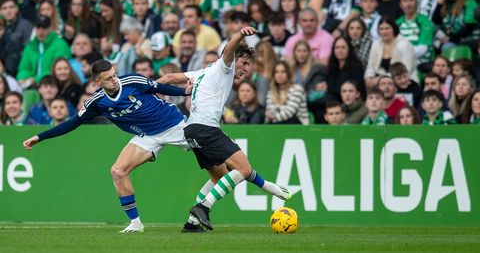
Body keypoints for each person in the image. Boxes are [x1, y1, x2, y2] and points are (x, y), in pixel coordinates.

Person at [23, 59, 194, 233]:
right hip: (147, 135)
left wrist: (184, 92)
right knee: (117, 171)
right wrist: (40, 137)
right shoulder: (98, 102)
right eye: (108, 78)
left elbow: (159, 88)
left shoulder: (133, 81)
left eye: (114, 75)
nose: (114, 80)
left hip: (174, 125)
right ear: (98, 82)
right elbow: (73, 123)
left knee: (219, 163)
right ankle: (135, 224)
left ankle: (205, 204)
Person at [157, 27, 292, 231]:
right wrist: (240, 35)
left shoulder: (201, 72)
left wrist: (146, 90)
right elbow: (228, 51)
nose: (246, 69)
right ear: (235, 58)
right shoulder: (224, 66)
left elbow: (167, 79)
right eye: (245, 63)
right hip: (206, 128)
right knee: (242, 168)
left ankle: (192, 224)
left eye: (249, 65)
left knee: (220, 177)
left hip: (192, 130)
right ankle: (202, 207)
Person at [17, 15, 71, 88]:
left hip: (55, 85)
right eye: (38, 27)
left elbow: (60, 69)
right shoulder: (30, 46)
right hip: (32, 86)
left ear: (50, 28)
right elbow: (24, 67)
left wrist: (36, 79)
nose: (41, 31)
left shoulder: (61, 45)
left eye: (44, 27)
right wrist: (23, 78)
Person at [365, 16, 418, 88]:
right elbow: (370, 67)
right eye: (381, 29)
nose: (384, 32)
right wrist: (369, 78)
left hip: (404, 83)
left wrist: (382, 79)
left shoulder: (404, 44)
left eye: (387, 28)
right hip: (381, 83)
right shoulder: (376, 44)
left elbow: (407, 69)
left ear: (394, 29)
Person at [396, 0, 435, 65]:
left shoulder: (425, 22)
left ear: (417, 3)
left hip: (421, 64)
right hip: (400, 64)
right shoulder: (397, 23)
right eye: (405, 1)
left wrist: (402, 55)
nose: (408, 4)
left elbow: (422, 49)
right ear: (400, 5)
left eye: (411, 0)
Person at [326, 36, 365, 101]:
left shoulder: (356, 67)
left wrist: (328, 88)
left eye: (343, 47)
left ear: (349, 50)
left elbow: (354, 89)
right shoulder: (332, 66)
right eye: (337, 47)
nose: (340, 50)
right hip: (333, 99)